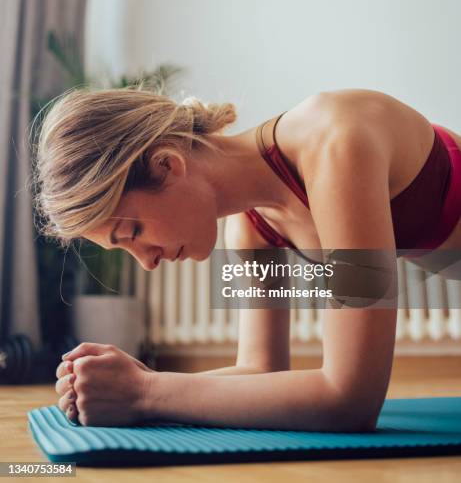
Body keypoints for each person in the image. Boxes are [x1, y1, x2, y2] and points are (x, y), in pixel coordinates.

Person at [34, 87, 461, 430]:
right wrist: (130, 384)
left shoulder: (335, 144)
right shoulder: (253, 227)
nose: (145, 262)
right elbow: (259, 369)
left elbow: (351, 399)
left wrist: (146, 392)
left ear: (167, 165)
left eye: (133, 233)